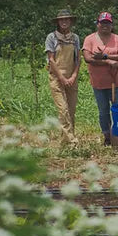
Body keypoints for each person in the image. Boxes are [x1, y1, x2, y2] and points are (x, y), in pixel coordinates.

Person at [82, 12, 118, 145]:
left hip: (116, 82)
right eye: (102, 23)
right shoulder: (90, 39)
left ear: (111, 25)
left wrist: (104, 56)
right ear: (98, 24)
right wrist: (108, 62)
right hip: (98, 83)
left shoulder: (117, 39)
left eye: (108, 23)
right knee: (103, 111)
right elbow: (88, 58)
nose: (105, 25)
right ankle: (107, 136)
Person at [45, 9, 81, 145]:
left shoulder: (75, 38)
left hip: (72, 78)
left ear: (70, 21)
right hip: (56, 78)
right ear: (58, 22)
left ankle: (65, 141)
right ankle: (72, 142)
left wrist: (73, 76)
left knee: (71, 111)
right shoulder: (51, 37)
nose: (64, 22)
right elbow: (51, 60)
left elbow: (78, 59)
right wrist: (62, 77)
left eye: (67, 19)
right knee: (63, 109)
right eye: (61, 20)